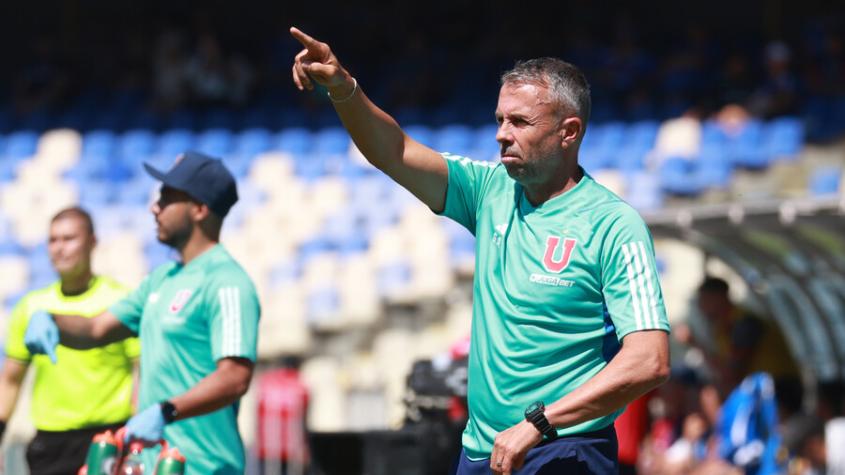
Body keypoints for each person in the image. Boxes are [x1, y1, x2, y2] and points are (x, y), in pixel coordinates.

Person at [289, 27, 670, 474]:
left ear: (569, 132)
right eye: (499, 120)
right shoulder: (490, 190)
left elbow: (650, 359)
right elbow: (393, 151)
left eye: (520, 122)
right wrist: (342, 87)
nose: (501, 135)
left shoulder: (612, 224)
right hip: (482, 453)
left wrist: (541, 423)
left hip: (565, 448)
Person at [23, 152, 261, 475]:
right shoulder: (161, 280)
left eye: (166, 198)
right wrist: (51, 320)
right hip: (152, 466)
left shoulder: (227, 282)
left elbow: (234, 377)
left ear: (200, 209)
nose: (154, 207)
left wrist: (166, 412)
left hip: (206, 467)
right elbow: (96, 329)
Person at [0, 207, 139, 475]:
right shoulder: (30, 306)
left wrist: (138, 436)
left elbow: (142, 372)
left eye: (69, 239)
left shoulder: (120, 302)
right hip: (49, 443)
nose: (59, 248)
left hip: (107, 439)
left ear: (92, 242)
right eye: (53, 240)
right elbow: (10, 380)